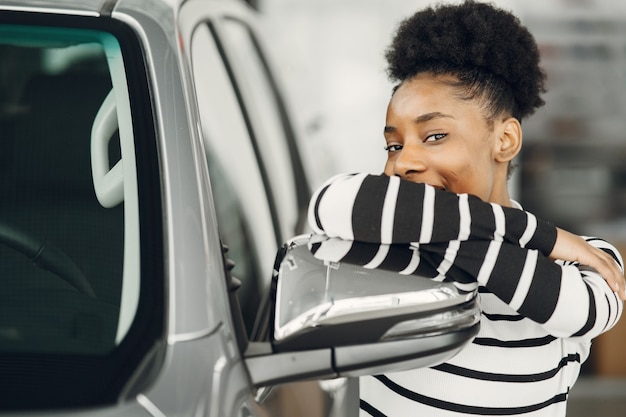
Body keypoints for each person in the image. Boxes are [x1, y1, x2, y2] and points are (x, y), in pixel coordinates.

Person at [306, 1, 625, 416]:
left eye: (435, 135)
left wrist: (453, 237)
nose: (402, 162)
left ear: (505, 140)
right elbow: (329, 203)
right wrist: (536, 233)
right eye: (393, 145)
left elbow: (576, 311)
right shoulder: (383, 252)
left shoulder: (586, 263)